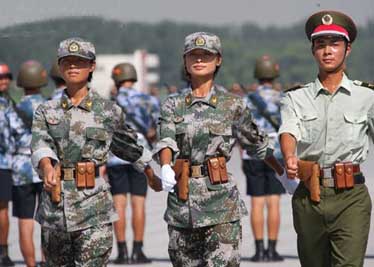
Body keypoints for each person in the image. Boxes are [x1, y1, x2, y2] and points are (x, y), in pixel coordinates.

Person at [153, 32, 277, 266]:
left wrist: (282, 172)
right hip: (183, 203)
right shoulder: (172, 104)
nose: (199, 60)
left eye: (206, 55)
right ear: (185, 61)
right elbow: (166, 140)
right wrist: (167, 166)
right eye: (193, 56)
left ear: (218, 60)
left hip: (221, 202)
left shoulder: (233, 105)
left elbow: (257, 144)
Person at [31, 37, 153, 266]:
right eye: (68, 62)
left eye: (80, 62)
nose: (73, 67)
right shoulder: (46, 110)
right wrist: (47, 165)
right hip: (56, 210)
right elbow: (40, 143)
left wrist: (153, 171)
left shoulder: (108, 111)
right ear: (60, 66)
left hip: (93, 207)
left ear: (92, 66)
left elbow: (129, 146)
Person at [279, 10, 372, 267]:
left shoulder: (367, 97)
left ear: (347, 49)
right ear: (313, 51)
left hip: (351, 196)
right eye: (321, 45)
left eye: (334, 44)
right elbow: (288, 129)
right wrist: (289, 156)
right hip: (309, 195)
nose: (327, 51)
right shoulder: (295, 97)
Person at [108, 62, 159, 264]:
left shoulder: (109, 102)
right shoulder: (148, 100)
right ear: (134, 78)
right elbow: (156, 129)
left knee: (118, 205)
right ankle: (138, 251)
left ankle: (122, 253)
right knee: (139, 204)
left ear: (116, 80)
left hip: (115, 157)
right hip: (140, 155)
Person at [242, 55, 285, 262]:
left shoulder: (246, 99)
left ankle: (259, 250)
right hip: (276, 154)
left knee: (257, 202)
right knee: (274, 202)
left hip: (252, 155)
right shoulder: (283, 98)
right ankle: (273, 250)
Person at [5, 60, 48, 267]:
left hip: (20, 168)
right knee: (48, 221)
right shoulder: (50, 107)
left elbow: (7, 140)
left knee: (24, 220)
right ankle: (46, 261)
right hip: (45, 166)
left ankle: (30, 264)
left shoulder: (13, 109)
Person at [0, 62, 15, 267]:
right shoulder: (5, 105)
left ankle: (3, 252)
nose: (4, 80)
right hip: (2, 162)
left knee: (2, 210)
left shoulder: (8, 102)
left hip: (3, 163)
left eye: (6, 76)